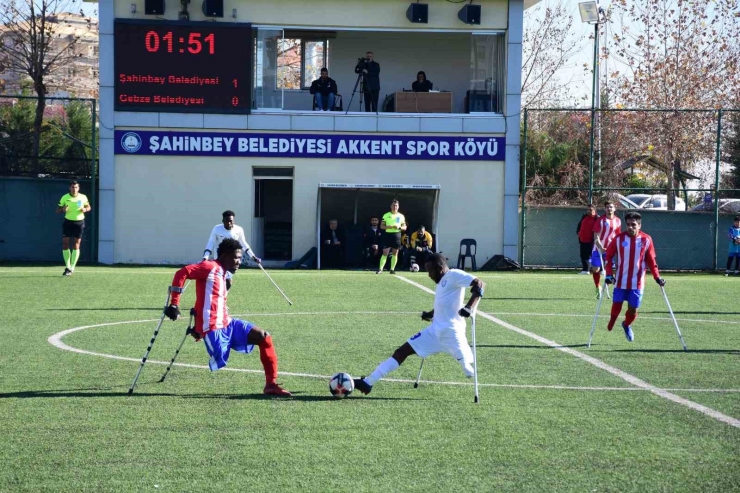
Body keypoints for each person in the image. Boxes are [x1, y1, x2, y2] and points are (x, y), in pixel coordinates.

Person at [164, 238, 291, 396]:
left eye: (240, 258)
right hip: (212, 328)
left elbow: (205, 299)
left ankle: (271, 384)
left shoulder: (225, 274)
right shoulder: (209, 266)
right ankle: (204, 336)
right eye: (236, 258)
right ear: (224, 256)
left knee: (263, 337)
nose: (239, 262)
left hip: (227, 323)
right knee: (221, 358)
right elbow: (182, 273)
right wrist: (174, 304)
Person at [353, 253, 485, 395]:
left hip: (451, 331)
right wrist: (430, 314)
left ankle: (465, 364)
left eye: (430, 271)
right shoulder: (441, 282)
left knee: (466, 367)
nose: (429, 275)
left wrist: (469, 307)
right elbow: (444, 303)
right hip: (433, 332)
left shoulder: (453, 275)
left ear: (440, 268)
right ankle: (368, 383)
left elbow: (480, 284)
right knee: (401, 352)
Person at [604, 212, 666, 342]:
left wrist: (657, 277)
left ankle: (626, 324)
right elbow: (608, 257)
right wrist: (609, 274)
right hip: (620, 281)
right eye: (628, 225)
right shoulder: (619, 239)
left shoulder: (646, 240)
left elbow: (651, 261)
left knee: (633, 309)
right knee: (617, 304)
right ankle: (612, 321)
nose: (630, 227)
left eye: (633, 225)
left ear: (639, 225)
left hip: (637, 282)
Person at [56, 181, 91, 276]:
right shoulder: (65, 197)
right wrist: (63, 210)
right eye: (72, 187)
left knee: (76, 244)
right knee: (65, 243)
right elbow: (57, 210)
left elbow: (88, 207)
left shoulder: (83, 197)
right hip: (68, 222)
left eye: (76, 187)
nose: (74, 189)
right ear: (69, 188)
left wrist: (85, 209)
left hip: (79, 222)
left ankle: (72, 267)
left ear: (78, 188)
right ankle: (67, 267)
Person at [590, 200, 621, 298]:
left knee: (611, 270)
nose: (609, 209)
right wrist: (601, 247)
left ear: (614, 208)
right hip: (598, 249)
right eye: (607, 207)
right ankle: (597, 286)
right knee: (596, 269)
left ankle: (605, 287)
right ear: (605, 209)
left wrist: (616, 248)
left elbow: (618, 236)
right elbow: (596, 237)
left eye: (611, 207)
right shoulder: (601, 220)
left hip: (610, 249)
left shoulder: (618, 221)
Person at [377, 199, 407, 274]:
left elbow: (404, 227)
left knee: (395, 253)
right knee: (385, 253)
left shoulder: (401, 216)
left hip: (396, 235)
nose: (395, 207)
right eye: (393, 205)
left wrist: (399, 227)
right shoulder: (386, 215)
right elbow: (381, 226)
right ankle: (380, 269)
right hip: (387, 235)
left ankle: (392, 269)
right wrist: (389, 227)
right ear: (390, 206)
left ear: (398, 207)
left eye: (396, 205)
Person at [576, 204, 598, 274]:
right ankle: (585, 270)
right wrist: (578, 233)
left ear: (595, 210)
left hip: (592, 241)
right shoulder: (584, 217)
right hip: (583, 240)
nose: (589, 211)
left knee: (594, 256)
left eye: (590, 210)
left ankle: (599, 270)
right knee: (583, 255)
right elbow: (579, 226)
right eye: (588, 210)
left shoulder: (597, 218)